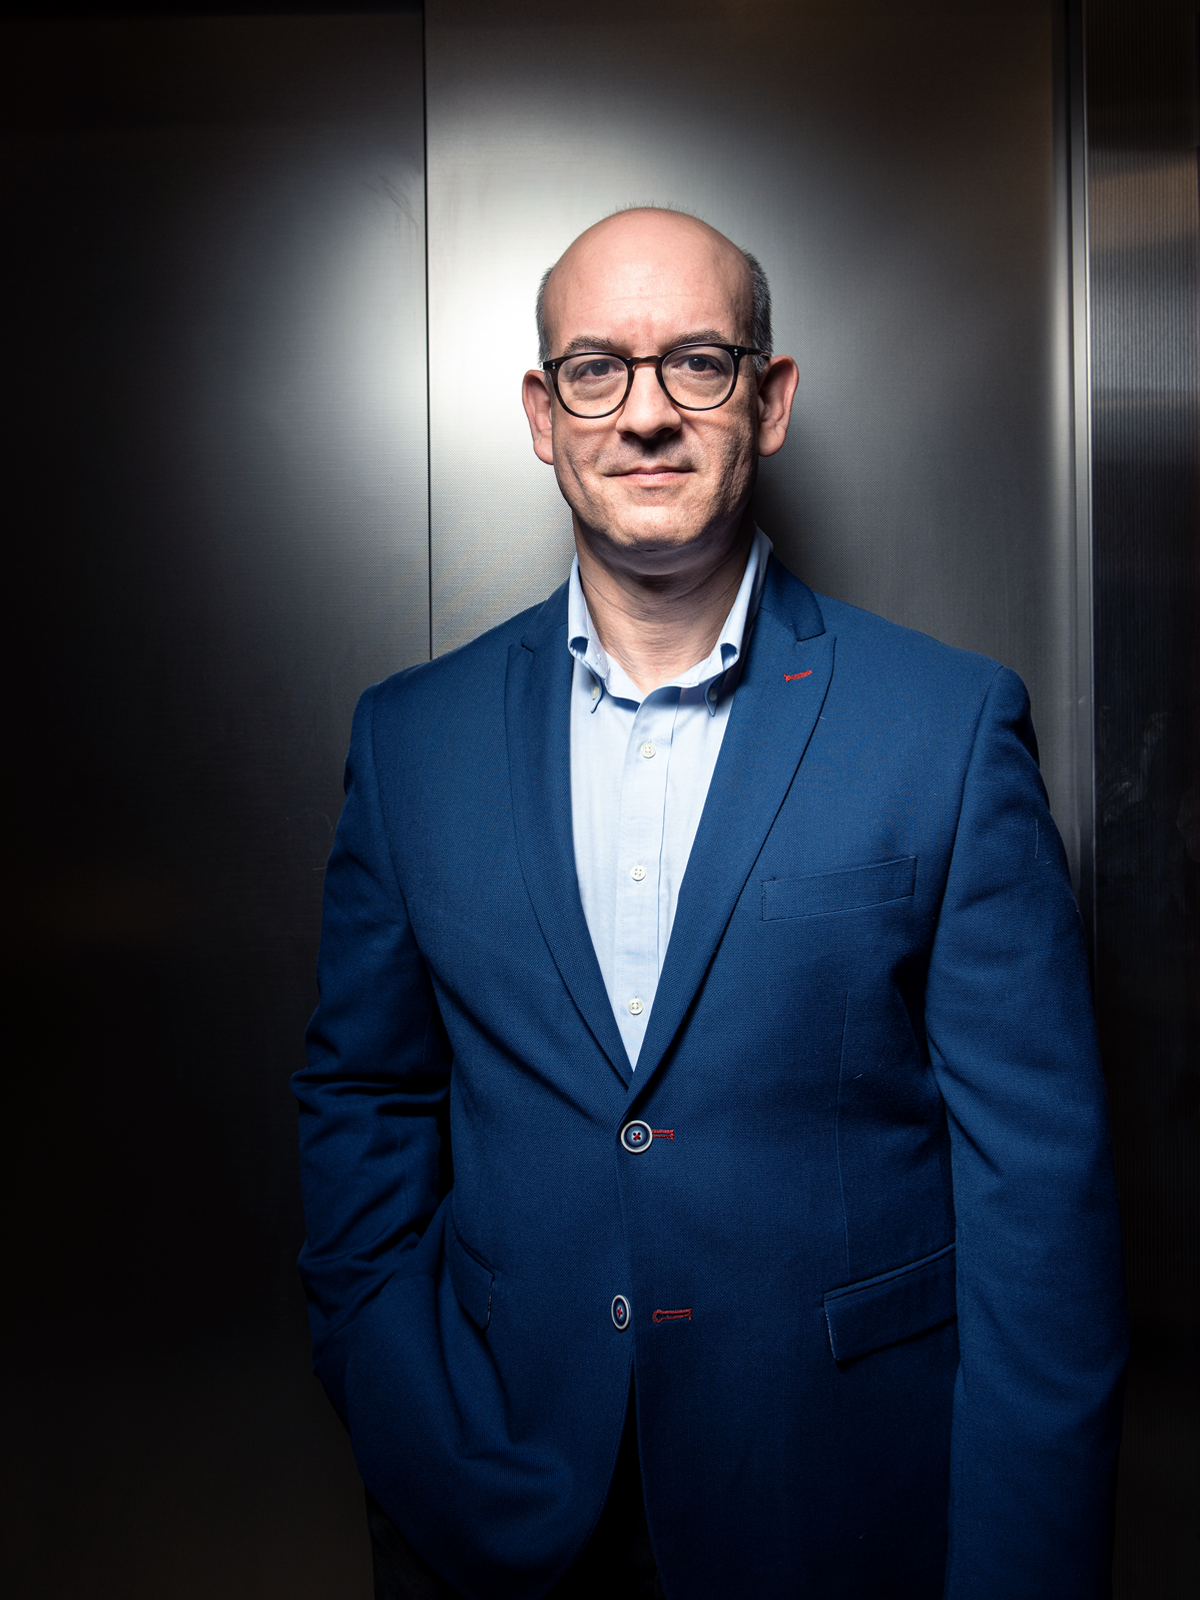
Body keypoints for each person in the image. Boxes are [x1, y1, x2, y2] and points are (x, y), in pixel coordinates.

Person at [293, 208, 1127, 1599]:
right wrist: (414, 1434)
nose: (644, 416)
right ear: (540, 417)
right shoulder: (408, 743)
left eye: (697, 363)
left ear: (771, 400)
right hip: (499, 1512)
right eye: (594, 371)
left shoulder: (947, 726)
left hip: (845, 1512)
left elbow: (1041, 1209)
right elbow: (363, 1106)